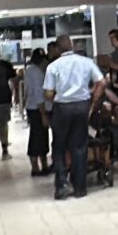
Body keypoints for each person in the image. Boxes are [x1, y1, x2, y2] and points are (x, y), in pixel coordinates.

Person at [44, 36, 103, 200]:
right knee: (79, 147)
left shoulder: (53, 67)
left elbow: (48, 93)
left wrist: (57, 97)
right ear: (72, 45)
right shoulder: (86, 62)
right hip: (82, 106)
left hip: (62, 108)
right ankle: (80, 188)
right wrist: (92, 101)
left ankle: (62, 185)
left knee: (59, 147)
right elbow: (102, 82)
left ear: (57, 49)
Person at [22, 47, 52, 175]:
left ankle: (43, 165)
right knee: (37, 139)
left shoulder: (33, 71)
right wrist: (43, 114)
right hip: (38, 109)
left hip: (36, 108)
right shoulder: (35, 73)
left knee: (41, 138)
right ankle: (36, 167)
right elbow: (38, 94)